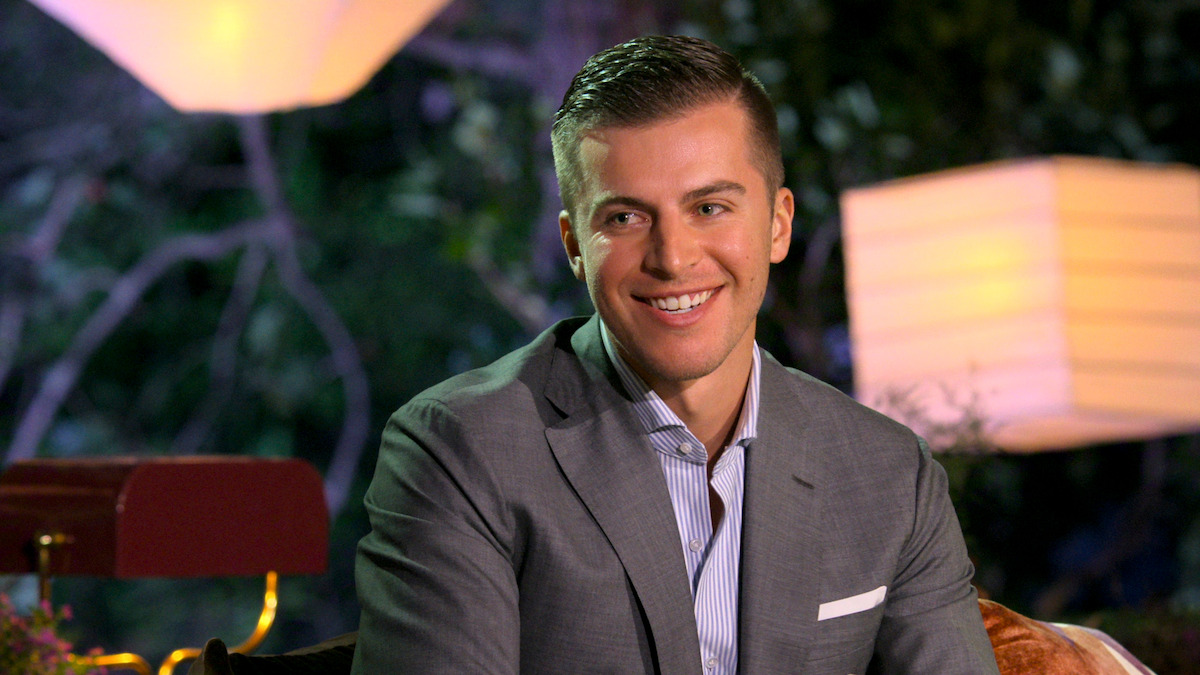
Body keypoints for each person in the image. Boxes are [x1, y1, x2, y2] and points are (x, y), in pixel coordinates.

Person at [351, 35, 1000, 674]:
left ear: (777, 224)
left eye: (710, 207)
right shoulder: (461, 452)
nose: (673, 257)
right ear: (575, 244)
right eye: (626, 219)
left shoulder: (889, 475)